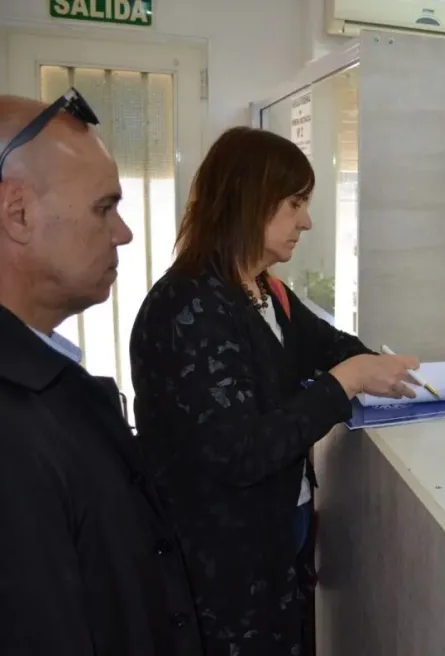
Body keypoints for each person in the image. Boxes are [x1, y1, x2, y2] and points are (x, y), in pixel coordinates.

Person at [129, 126, 420, 656]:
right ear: (249, 201)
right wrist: (345, 382)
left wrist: (383, 368)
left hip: (280, 531)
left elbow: (331, 345)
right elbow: (239, 451)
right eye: (295, 204)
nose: (306, 222)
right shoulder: (189, 307)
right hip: (220, 560)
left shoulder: (263, 288)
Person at [0, 91, 203, 654]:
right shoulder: (11, 430)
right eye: (103, 207)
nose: (123, 232)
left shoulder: (47, 380)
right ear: (18, 213)